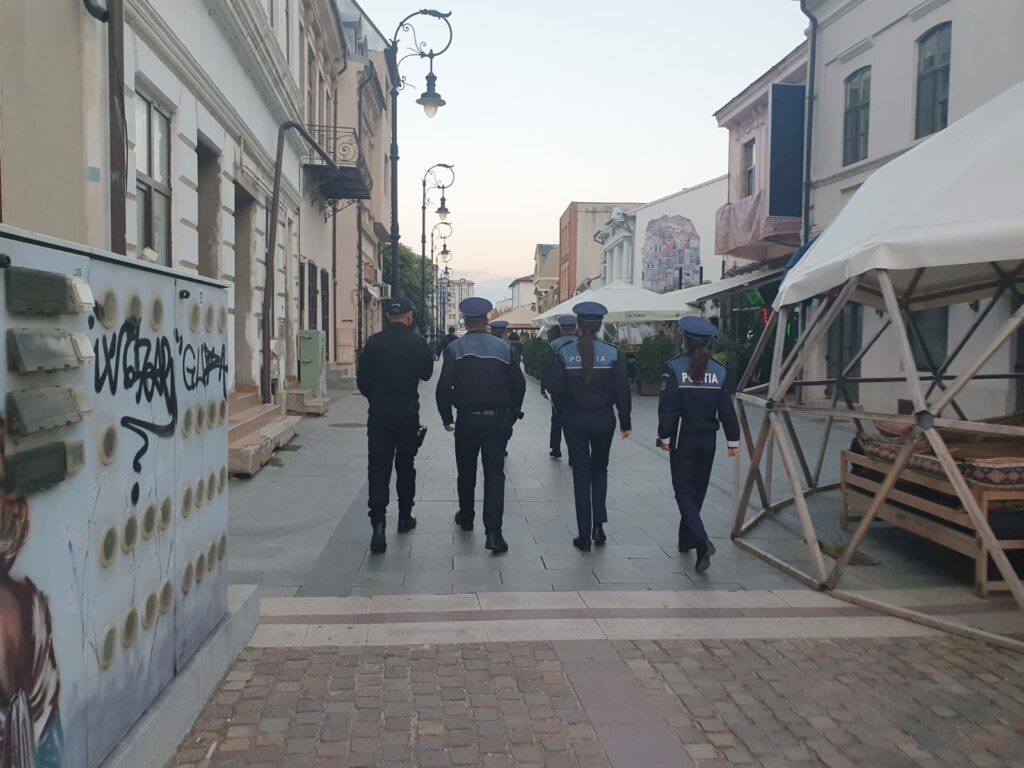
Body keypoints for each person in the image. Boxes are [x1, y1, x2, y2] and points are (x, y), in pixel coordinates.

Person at [436, 297, 526, 553]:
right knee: (494, 475)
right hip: (497, 420)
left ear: (465, 322)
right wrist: (513, 412)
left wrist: (447, 417)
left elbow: (444, 387)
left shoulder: (455, 348)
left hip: (467, 419)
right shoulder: (505, 348)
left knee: (466, 470)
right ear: (487, 320)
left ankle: (466, 517)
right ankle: (494, 534)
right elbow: (519, 384)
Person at [657, 316, 740, 574]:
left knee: (683, 490)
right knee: (698, 490)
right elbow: (727, 410)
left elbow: (668, 407)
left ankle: (701, 541)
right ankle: (686, 538)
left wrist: (664, 437)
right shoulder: (720, 371)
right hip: (708, 440)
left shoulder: (673, 368)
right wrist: (733, 440)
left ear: (684, 339)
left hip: (683, 438)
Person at [549, 302, 631, 551]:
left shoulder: (563, 352)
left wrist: (564, 413)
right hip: (603, 419)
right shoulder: (612, 353)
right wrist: (625, 422)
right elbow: (622, 391)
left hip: (574, 419)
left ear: (577, 325)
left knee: (581, 475)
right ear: (599, 326)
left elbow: (557, 389)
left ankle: (583, 534)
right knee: (600, 471)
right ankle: (599, 526)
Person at [356, 296, 434, 553]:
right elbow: (427, 374)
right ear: (409, 316)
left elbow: (362, 380)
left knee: (378, 467)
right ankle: (404, 516)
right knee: (405, 464)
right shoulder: (418, 342)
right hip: (407, 412)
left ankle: (378, 525)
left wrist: (376, 397)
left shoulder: (374, 342)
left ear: (388, 316)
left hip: (380, 413)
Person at [541, 315, 578, 459]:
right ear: (575, 328)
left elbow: (547, 367)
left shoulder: (554, 345)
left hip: (558, 389)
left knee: (556, 418)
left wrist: (545, 389)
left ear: (561, 329)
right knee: (574, 419)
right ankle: (574, 451)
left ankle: (555, 448)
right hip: (577, 389)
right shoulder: (582, 343)